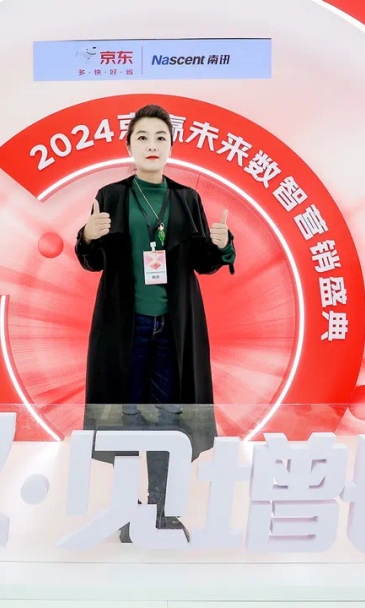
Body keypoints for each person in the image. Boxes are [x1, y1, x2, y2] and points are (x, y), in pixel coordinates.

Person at [75, 104, 236, 543]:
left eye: (160, 137)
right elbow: (93, 261)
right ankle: (128, 512)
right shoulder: (111, 196)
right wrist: (87, 236)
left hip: (174, 329)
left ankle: (163, 509)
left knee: (169, 418)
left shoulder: (186, 199)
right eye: (142, 137)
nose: (152, 145)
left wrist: (222, 244)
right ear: (129, 146)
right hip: (125, 328)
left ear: (171, 146)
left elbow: (205, 262)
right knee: (127, 417)